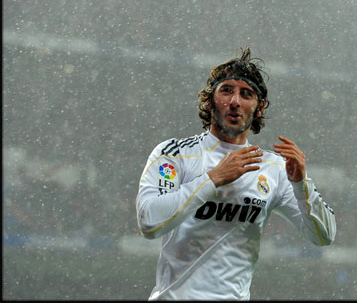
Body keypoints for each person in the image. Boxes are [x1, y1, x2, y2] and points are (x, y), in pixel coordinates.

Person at [136, 47, 336, 300]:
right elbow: (149, 223)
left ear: (259, 107)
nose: (235, 101)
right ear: (209, 101)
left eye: (246, 94)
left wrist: (301, 184)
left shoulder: (273, 168)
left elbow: (323, 236)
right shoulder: (174, 154)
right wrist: (213, 178)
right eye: (227, 90)